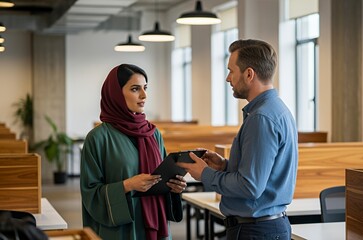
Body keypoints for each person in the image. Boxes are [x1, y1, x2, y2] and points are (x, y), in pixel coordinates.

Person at [177, 39, 298, 240]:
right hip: (266, 226)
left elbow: (250, 187)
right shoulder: (278, 110)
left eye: (231, 71)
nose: (227, 78)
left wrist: (204, 174)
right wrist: (225, 165)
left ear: (249, 74)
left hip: (255, 231)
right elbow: (262, 175)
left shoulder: (261, 118)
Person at [80, 64, 187, 240]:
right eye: (135, 89)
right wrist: (127, 185)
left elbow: (161, 176)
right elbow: (90, 193)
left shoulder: (153, 133)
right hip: (121, 230)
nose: (144, 95)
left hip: (155, 225)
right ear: (116, 94)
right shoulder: (98, 138)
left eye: (145, 88)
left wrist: (174, 187)